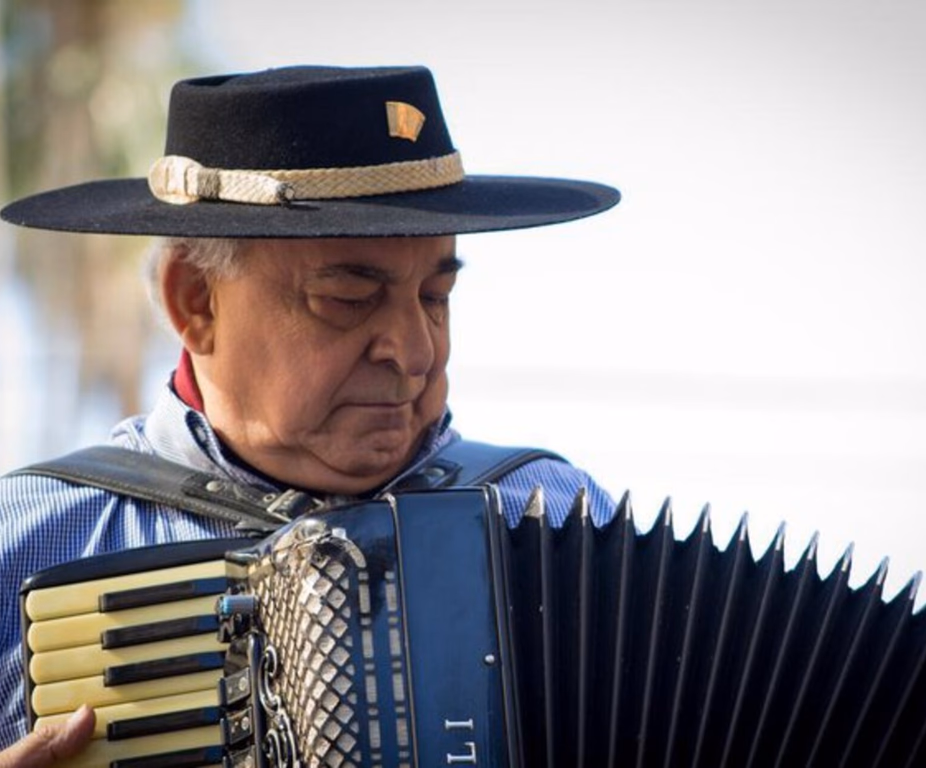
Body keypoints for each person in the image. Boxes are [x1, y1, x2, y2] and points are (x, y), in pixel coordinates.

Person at [0, 65, 620, 763]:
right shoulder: (23, 543)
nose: (413, 352)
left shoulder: (560, 521)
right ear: (196, 301)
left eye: (436, 297)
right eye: (351, 297)